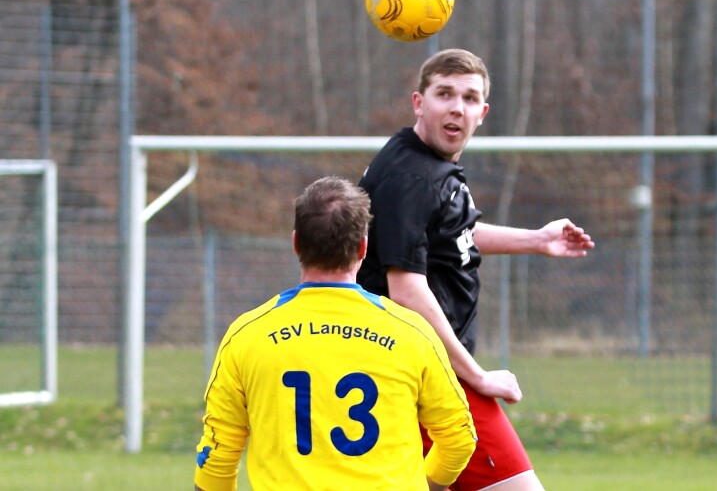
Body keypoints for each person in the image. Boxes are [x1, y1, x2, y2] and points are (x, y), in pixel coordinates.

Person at [357, 48, 595, 491]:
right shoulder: (413, 178)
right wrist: (476, 375)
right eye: (444, 94)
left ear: (482, 113)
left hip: (419, 369)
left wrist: (537, 240)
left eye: (469, 98)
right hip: (427, 375)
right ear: (419, 102)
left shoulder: (424, 166)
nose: (457, 108)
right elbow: (406, 288)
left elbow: (449, 235)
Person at [194, 176, 477, 491]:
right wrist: (427, 484)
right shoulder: (412, 332)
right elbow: (460, 436)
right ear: (363, 247)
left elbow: (217, 455)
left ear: (296, 243)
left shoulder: (247, 335)